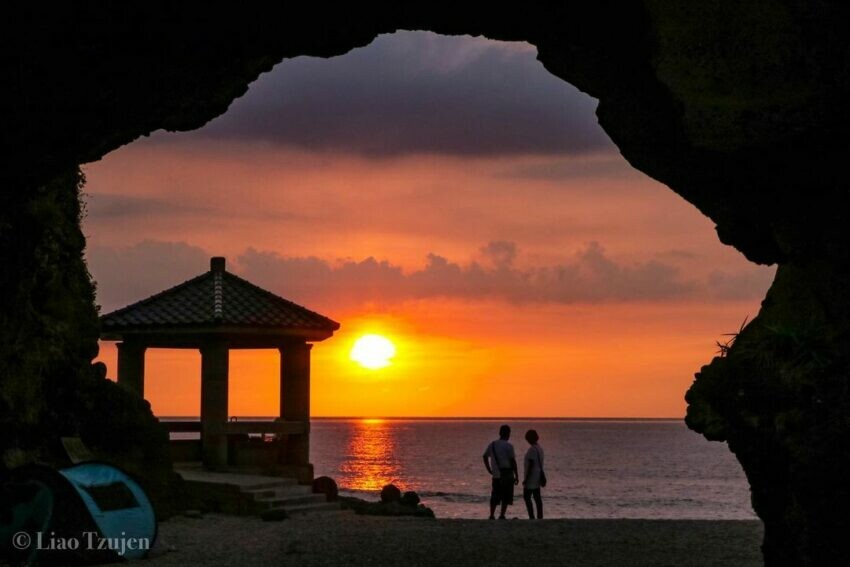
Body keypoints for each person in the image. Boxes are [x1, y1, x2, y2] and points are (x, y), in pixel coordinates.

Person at [482, 424, 518, 519]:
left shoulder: (493, 444)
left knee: (494, 496)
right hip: (507, 474)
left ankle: (492, 515)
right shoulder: (509, 446)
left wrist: (489, 469)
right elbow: (513, 462)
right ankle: (502, 515)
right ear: (508, 434)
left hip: (496, 475)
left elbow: (485, 456)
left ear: (500, 433)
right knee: (505, 496)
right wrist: (516, 475)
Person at [522, 429, 544, 519]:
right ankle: (540, 516)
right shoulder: (540, 448)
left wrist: (526, 479)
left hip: (531, 478)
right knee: (537, 498)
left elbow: (530, 465)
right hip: (538, 476)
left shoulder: (531, 450)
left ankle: (531, 516)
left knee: (527, 497)